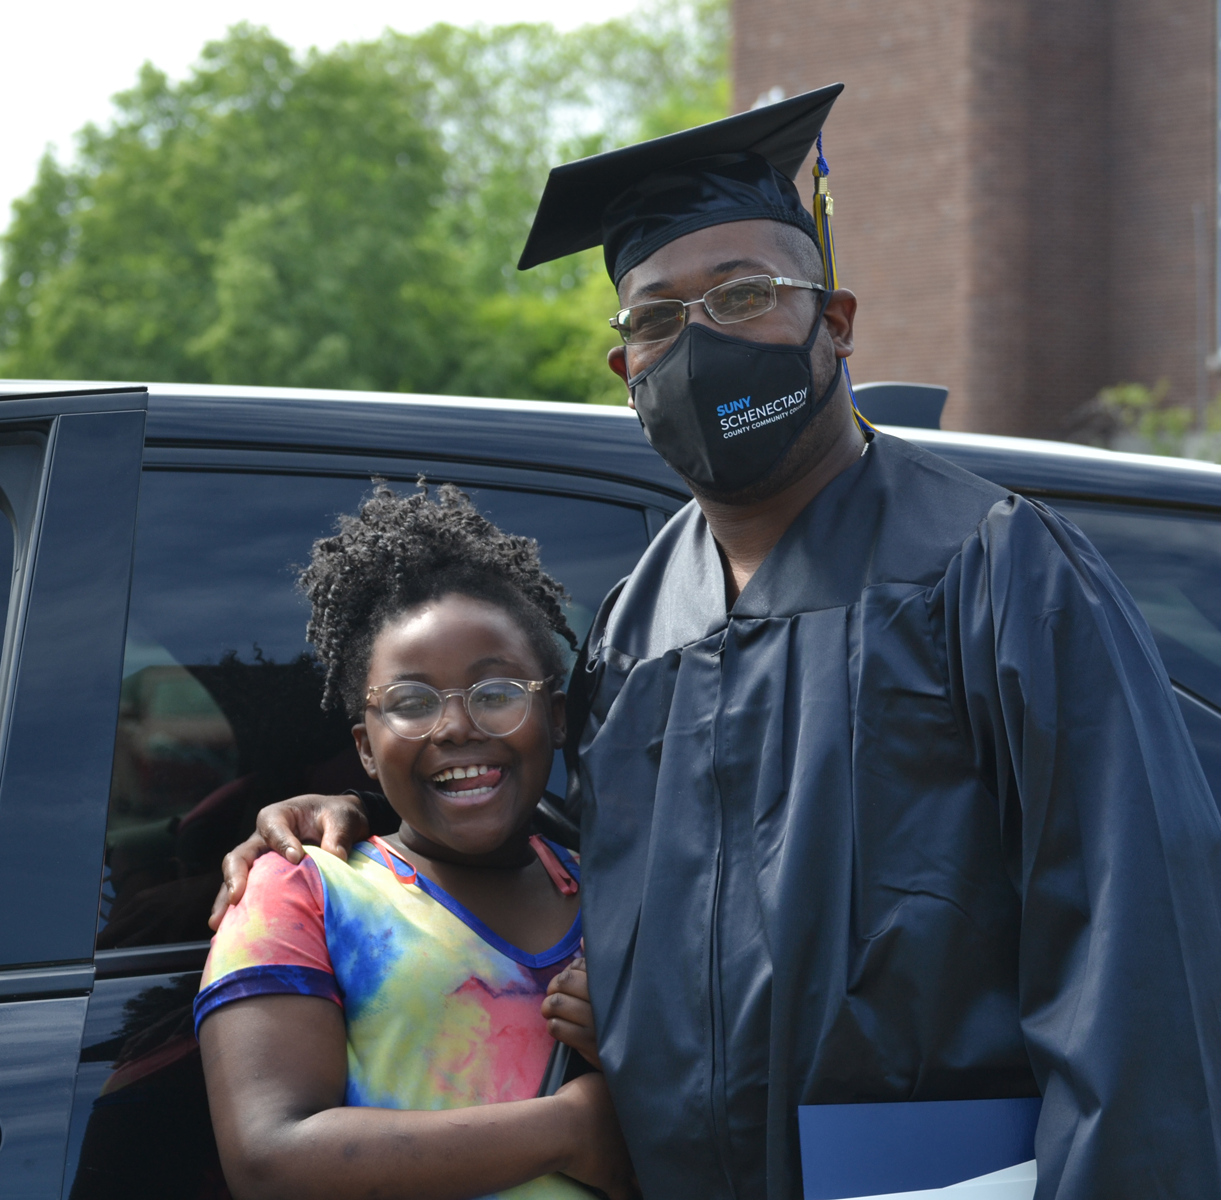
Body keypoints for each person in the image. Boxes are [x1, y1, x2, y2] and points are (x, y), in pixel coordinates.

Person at [214, 86, 1221, 1198]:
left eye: (745, 296)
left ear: (833, 325)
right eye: (655, 318)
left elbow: (1141, 961)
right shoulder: (641, 628)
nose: (698, 340)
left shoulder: (995, 571)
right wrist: (350, 821)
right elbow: (539, 831)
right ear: (627, 374)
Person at [198, 484, 634, 1200]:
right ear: (366, 749)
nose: (456, 727)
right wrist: (572, 1128)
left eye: (496, 693)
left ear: (556, 717)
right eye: (411, 703)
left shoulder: (619, 898)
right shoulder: (305, 884)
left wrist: (629, 1051)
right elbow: (270, 1156)